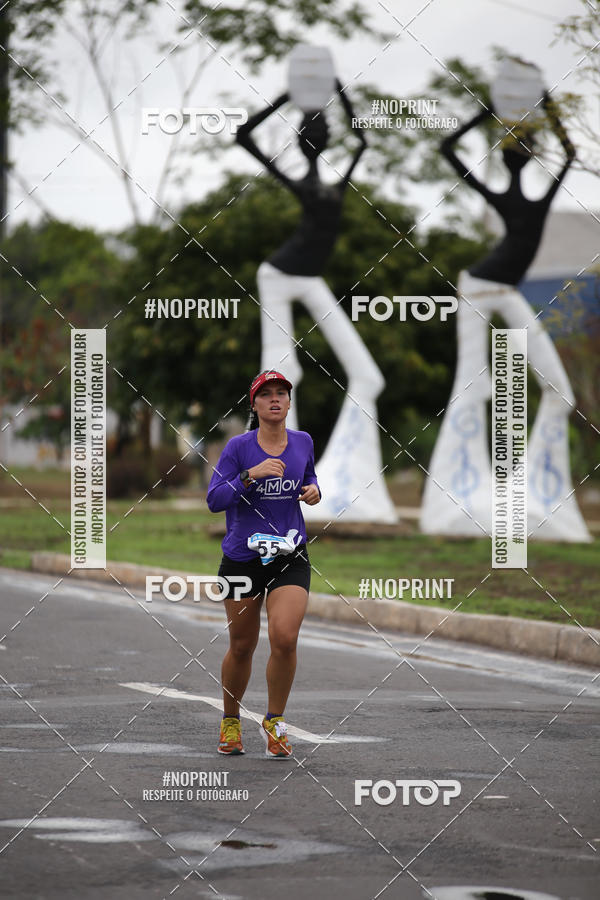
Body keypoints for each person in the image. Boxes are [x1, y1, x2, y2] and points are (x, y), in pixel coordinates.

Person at [420, 93, 590, 541]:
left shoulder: (538, 192)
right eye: (516, 146)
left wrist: (546, 107)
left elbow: (572, 154)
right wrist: (487, 109)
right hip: (476, 288)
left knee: (559, 392)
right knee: (472, 387)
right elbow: (447, 151)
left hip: (506, 291)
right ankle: (457, 495)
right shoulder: (498, 192)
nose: (521, 151)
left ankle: (537, 494)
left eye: (525, 146)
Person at [234, 80, 396, 523]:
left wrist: (335, 89)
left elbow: (362, 138)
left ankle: (344, 479)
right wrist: (290, 94)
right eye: (312, 132)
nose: (320, 137)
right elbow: (243, 135)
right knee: (281, 373)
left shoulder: (336, 182)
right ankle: (268, 484)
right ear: (302, 142)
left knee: (367, 375)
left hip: (310, 278)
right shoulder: (302, 182)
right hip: (279, 275)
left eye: (324, 132)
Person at [206, 370, 321, 757]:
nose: (275, 399)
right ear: (254, 405)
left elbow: (309, 476)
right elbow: (215, 499)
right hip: (241, 558)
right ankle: (231, 721)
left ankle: (274, 722)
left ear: (289, 403)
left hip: (289, 554)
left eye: (282, 394)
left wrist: (313, 490)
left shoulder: (303, 441)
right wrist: (250, 476)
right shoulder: (239, 447)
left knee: (285, 638)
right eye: (266, 394)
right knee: (242, 645)